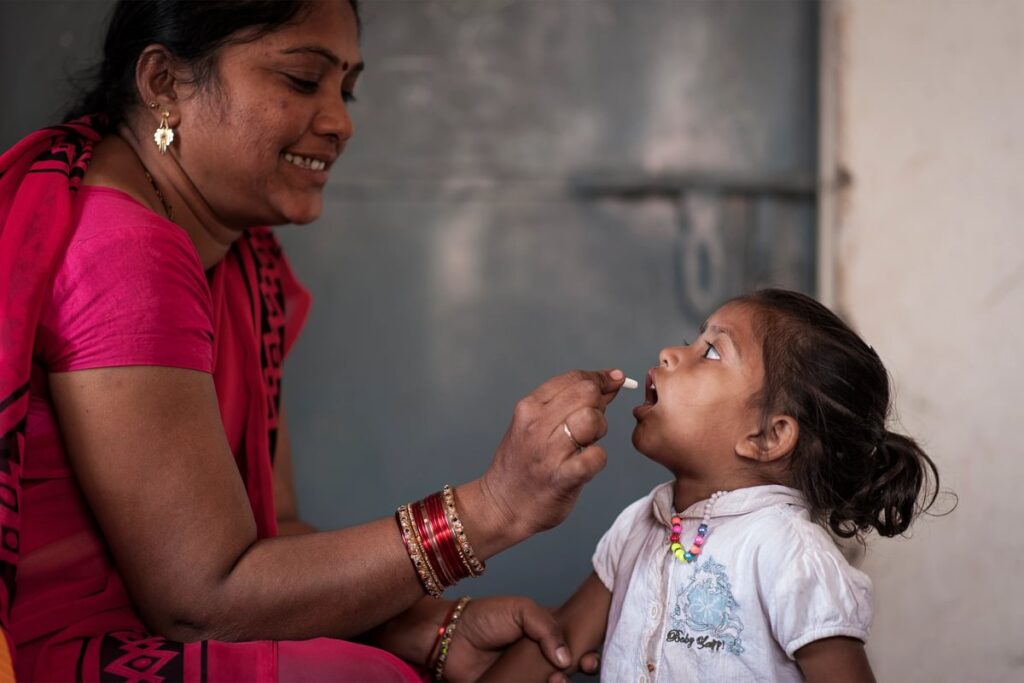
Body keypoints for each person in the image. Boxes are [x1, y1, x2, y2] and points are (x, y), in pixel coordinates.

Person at [0, 1, 618, 680]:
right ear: (163, 84)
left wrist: (428, 624)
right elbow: (203, 599)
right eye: (302, 80)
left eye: (345, 88)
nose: (341, 122)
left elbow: (276, 536)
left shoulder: (240, 255)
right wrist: (492, 508)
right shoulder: (125, 249)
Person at [480, 288, 946, 682]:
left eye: (711, 352)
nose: (670, 354)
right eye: (693, 342)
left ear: (767, 437)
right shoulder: (640, 525)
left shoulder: (789, 554)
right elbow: (559, 639)